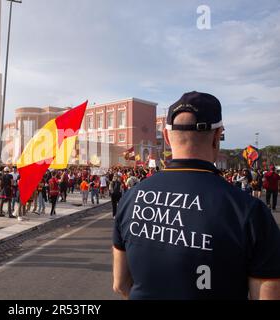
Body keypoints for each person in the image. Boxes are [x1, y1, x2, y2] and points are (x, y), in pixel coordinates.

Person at [113, 91, 280, 300]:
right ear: (218, 135)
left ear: (166, 135)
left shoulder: (131, 197)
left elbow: (120, 284)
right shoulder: (250, 211)